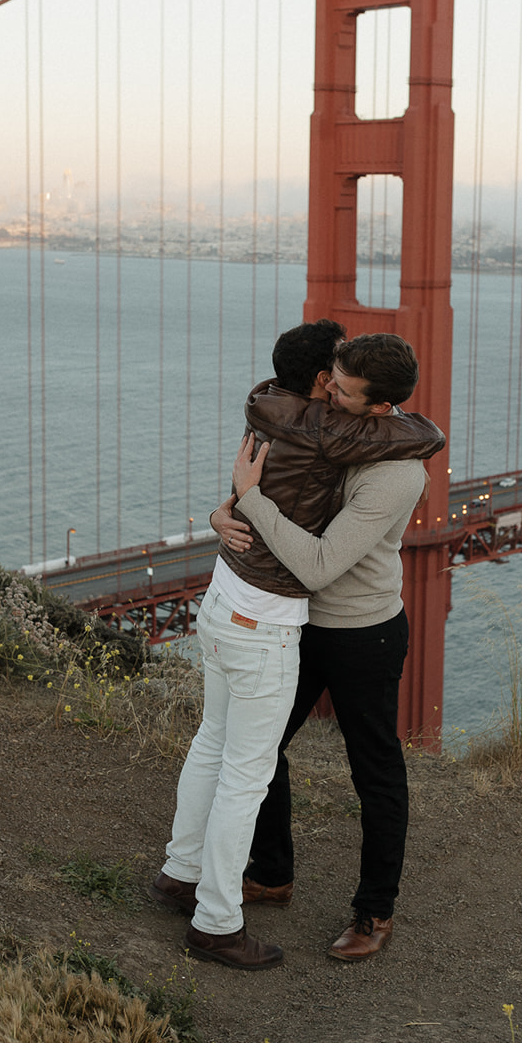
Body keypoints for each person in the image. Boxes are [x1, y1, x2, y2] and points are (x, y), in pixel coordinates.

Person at [149, 320, 444, 971]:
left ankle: (374, 910)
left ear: (379, 404)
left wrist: (251, 502)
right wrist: (225, 509)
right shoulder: (321, 422)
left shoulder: (397, 472)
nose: (328, 396)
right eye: (329, 383)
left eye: (343, 391)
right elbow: (280, 478)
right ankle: (273, 871)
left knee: (376, 772)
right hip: (297, 624)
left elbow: (315, 564)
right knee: (262, 750)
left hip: (363, 632)